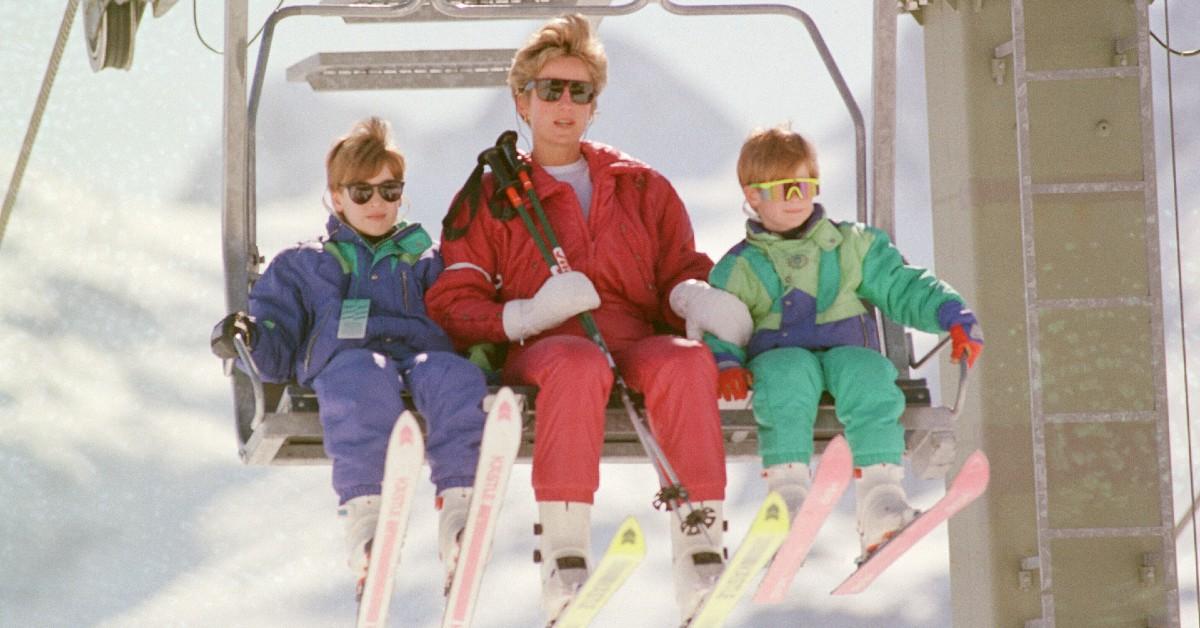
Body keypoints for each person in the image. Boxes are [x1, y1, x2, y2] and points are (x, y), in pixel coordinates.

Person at [425, 14, 753, 622]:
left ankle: (700, 544)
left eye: (581, 91)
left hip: (633, 335)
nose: (565, 103)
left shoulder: (640, 186)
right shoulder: (494, 193)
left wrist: (694, 299)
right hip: (545, 344)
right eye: (551, 89)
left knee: (685, 363)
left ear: (595, 105)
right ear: (522, 100)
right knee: (576, 365)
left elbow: (680, 266)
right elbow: (453, 300)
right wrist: (527, 313)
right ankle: (565, 553)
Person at [209, 117, 488, 594]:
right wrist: (250, 336)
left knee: (453, 374)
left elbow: (465, 314)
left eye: (389, 190)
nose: (377, 203)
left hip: (420, 362)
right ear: (337, 197)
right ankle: (367, 519)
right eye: (362, 193)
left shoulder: (428, 262)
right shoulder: (305, 265)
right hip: (348, 366)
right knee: (360, 375)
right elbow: (277, 346)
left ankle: (460, 509)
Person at [706, 124, 984, 561]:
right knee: (786, 375)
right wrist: (726, 364)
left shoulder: (851, 246)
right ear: (754, 195)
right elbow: (719, 321)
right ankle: (789, 493)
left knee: (871, 374)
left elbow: (901, 285)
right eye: (785, 189)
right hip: (779, 358)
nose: (799, 198)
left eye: (806, 185)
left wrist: (950, 314)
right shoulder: (741, 267)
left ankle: (881, 499)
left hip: (845, 351)